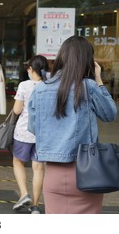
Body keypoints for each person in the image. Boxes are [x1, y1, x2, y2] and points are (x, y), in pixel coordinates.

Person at [28, 35, 117, 214]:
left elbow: (33, 127)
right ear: (87, 61)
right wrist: (99, 80)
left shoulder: (40, 89)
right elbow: (109, 114)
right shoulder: (88, 86)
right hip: (87, 172)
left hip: (53, 175)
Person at [12, 55, 48, 214]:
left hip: (24, 133)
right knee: (38, 169)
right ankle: (35, 206)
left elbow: (17, 110)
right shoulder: (50, 86)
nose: (27, 70)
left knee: (18, 162)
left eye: (28, 68)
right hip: (43, 134)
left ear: (32, 70)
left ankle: (24, 194)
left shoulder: (24, 86)